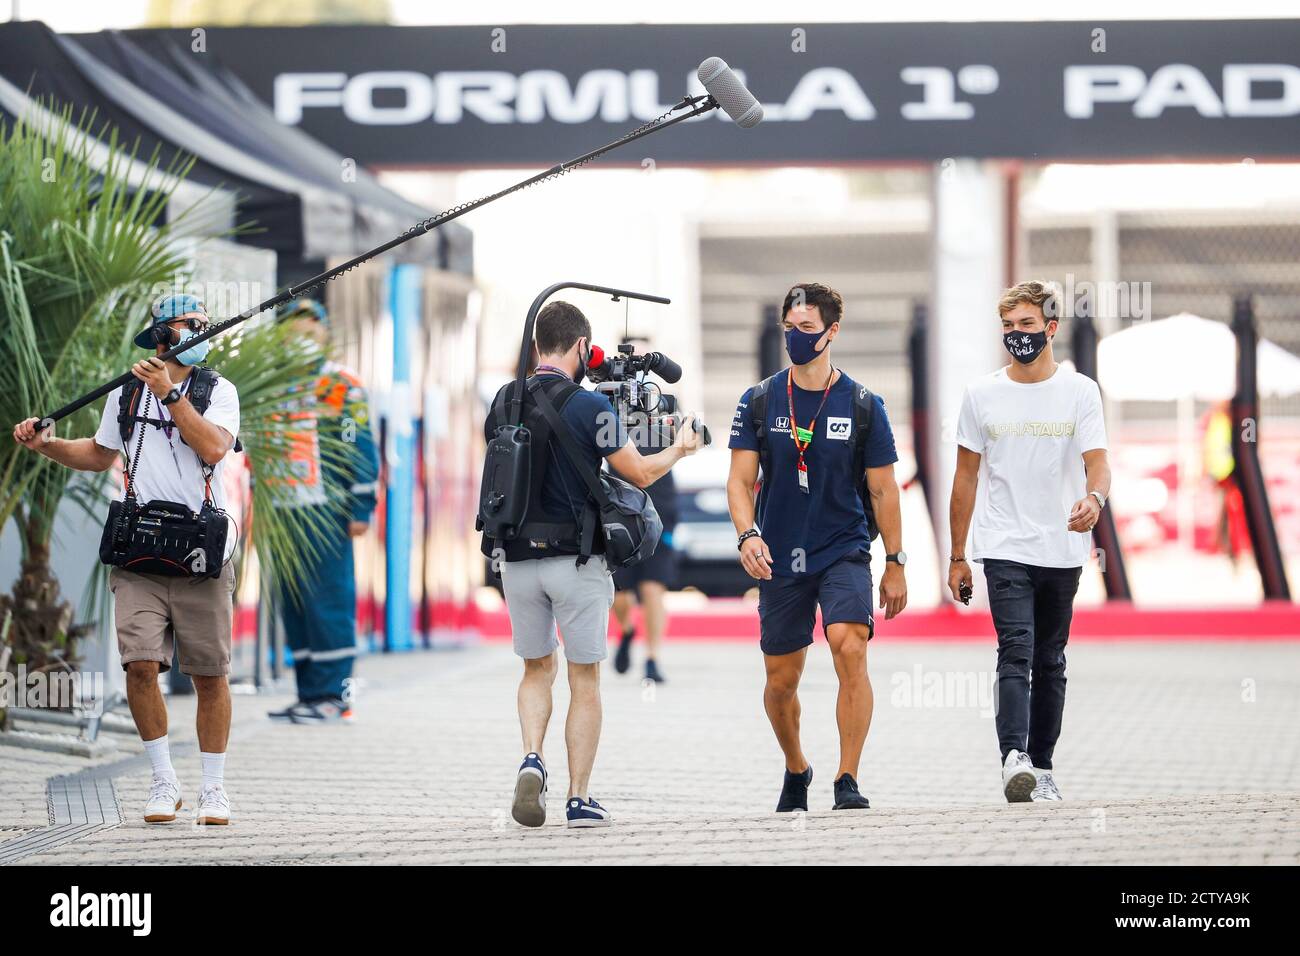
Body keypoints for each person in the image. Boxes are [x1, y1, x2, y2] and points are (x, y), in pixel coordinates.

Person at [12, 293, 241, 825]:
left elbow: (212, 448)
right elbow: (97, 454)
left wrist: (173, 396)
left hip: (201, 551)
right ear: (163, 335)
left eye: (205, 325)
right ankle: (163, 780)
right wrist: (46, 444)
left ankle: (213, 788)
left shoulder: (217, 390)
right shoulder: (128, 392)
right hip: (138, 549)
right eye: (191, 325)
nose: (202, 332)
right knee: (139, 668)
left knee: (210, 674)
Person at [482, 301, 700, 829]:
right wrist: (680, 448)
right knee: (584, 680)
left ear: (538, 345)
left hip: (516, 561)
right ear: (582, 347)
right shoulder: (589, 408)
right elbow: (640, 473)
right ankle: (579, 799)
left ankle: (531, 756)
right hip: (574, 563)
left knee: (537, 669)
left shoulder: (503, 400)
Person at [727, 282, 907, 813]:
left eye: (807, 328)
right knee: (781, 681)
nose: (796, 337)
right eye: (790, 327)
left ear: (832, 332)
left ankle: (847, 777)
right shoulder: (758, 400)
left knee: (848, 645)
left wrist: (895, 563)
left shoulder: (863, 404)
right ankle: (796, 767)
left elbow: (883, 488)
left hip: (843, 547)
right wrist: (747, 534)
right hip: (778, 554)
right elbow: (739, 482)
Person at [947, 280, 1112, 804]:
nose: (1016, 335)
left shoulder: (1080, 391)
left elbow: (1099, 462)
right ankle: (1012, 758)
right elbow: (965, 478)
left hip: (1061, 545)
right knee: (1015, 649)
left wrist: (1095, 499)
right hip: (1003, 543)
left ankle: (1041, 767)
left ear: (1051, 328)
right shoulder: (982, 394)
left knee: (1051, 659)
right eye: (1009, 327)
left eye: (1026, 325)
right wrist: (957, 556)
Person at [266, 299, 379, 724]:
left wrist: (360, 505)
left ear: (326, 337)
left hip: (325, 511)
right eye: (293, 334)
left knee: (328, 601)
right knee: (295, 605)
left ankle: (336, 695)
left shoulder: (341, 385)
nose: (301, 342)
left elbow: (361, 446)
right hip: (282, 511)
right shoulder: (272, 385)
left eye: (310, 334)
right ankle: (309, 693)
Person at [609, 362, 680, 684]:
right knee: (620, 595)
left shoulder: (667, 419)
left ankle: (652, 658)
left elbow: (690, 435)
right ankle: (626, 631)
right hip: (620, 514)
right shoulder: (611, 419)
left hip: (660, 513)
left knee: (653, 590)